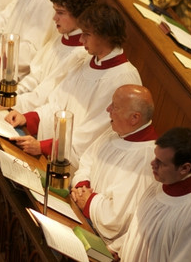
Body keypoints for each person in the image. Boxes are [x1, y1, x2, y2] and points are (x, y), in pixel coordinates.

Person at [5, 4, 142, 167]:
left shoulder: (122, 80)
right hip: (49, 146)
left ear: (105, 37)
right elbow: (57, 101)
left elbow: (90, 136)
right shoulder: (83, 58)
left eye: (87, 35)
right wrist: (28, 118)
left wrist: (44, 147)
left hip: (72, 164)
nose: (81, 40)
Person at [70, 84, 157, 254]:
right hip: (81, 210)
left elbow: (118, 218)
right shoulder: (118, 131)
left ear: (134, 118)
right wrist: (82, 186)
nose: (108, 109)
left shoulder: (146, 159)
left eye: (115, 107)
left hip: (99, 238)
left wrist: (89, 201)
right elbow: (88, 160)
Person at [119, 127, 191, 261]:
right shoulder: (170, 176)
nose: (153, 164)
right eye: (155, 157)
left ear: (184, 168)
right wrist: (120, 247)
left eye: (161, 163)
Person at [10, 0, 97, 112]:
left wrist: (13, 102)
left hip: (35, 115)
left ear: (80, 16)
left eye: (60, 13)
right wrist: (14, 92)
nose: (54, 18)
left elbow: (45, 95)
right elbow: (35, 76)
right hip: (22, 104)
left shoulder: (81, 54)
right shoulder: (61, 36)